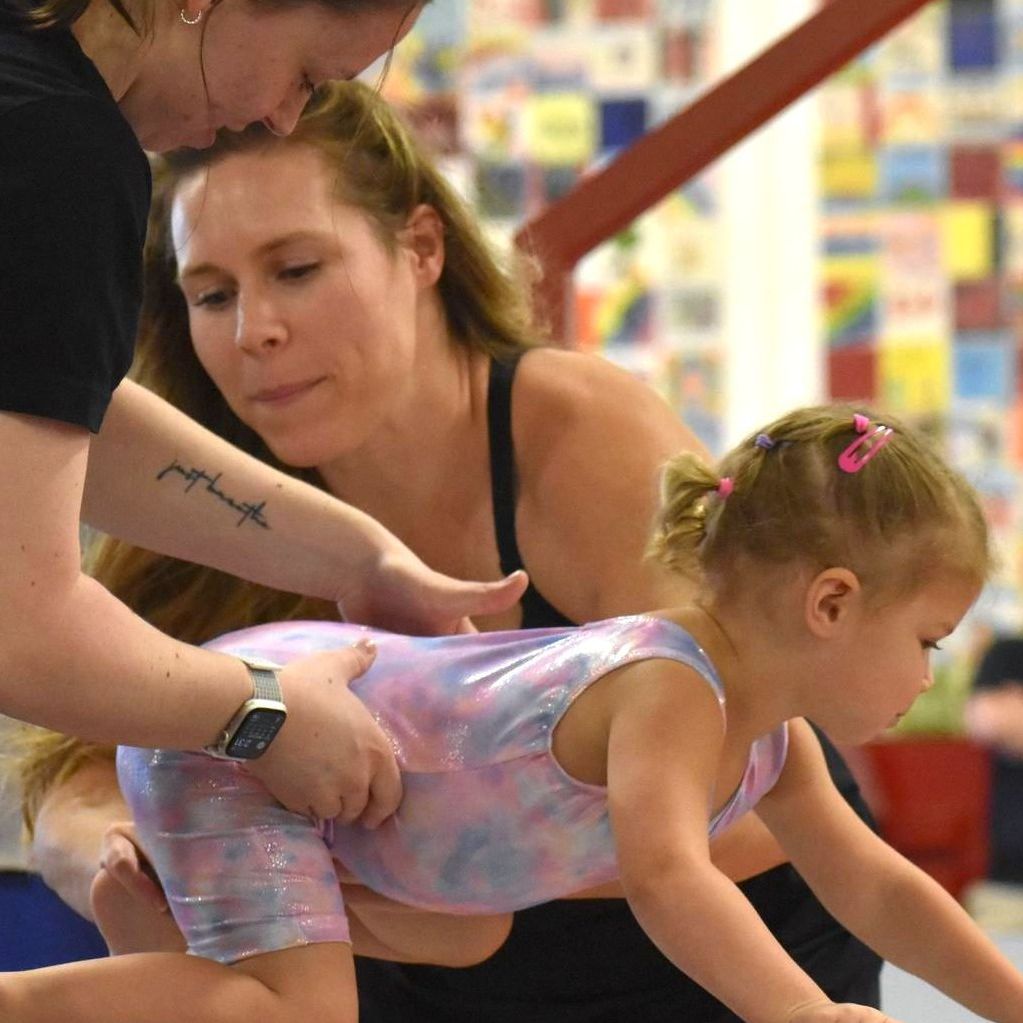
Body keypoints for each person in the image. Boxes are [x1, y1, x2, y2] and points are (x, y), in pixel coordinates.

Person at [21, 82, 885, 1020]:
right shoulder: (197, 491)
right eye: (211, 294)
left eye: (298, 269)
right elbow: (73, 766)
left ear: (422, 248)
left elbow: (750, 793)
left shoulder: (577, 436)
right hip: (435, 960)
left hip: (723, 944)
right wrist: (146, 845)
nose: (253, 331)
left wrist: (390, 859)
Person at [7, 403, 1023, 1023]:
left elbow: (880, 890)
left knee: (463, 934)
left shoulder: (773, 741)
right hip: (267, 741)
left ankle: (171, 935)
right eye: (928, 639)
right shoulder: (672, 688)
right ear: (832, 604)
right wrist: (800, 1013)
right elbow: (669, 879)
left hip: (373, 823)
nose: (930, 671)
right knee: (301, 1015)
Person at [0, 0, 534, 832]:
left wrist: (356, 560)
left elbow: (49, 406)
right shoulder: (60, 148)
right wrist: (264, 714)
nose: (282, 115)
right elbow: (21, 628)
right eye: (305, 77)